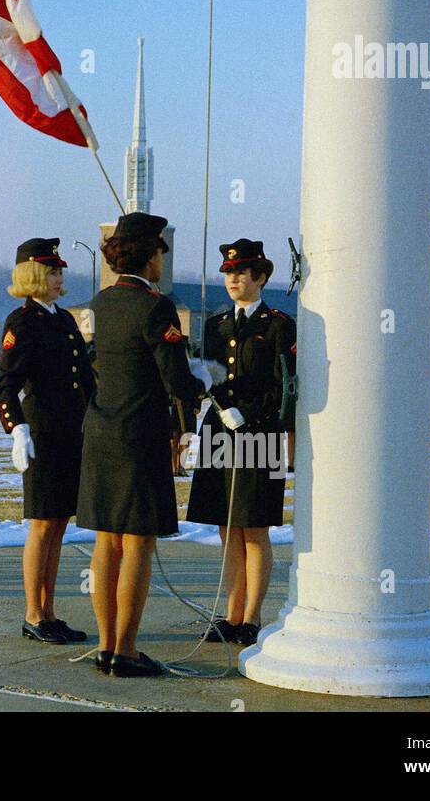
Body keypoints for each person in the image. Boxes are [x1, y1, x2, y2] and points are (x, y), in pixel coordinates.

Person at [76, 213, 211, 677]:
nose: (161, 262)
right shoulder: (157, 307)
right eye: (159, 254)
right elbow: (175, 378)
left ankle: (105, 646)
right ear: (147, 254)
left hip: (100, 431)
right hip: (140, 434)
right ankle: (127, 651)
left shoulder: (100, 301)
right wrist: (197, 388)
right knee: (137, 543)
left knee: (105, 541)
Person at [186, 239, 297, 648]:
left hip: (260, 435)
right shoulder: (216, 325)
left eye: (240, 272)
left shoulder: (279, 325)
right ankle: (231, 616)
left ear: (261, 276)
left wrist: (248, 413)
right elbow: (213, 378)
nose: (232, 279)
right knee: (226, 527)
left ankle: (252, 617)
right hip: (218, 433)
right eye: (228, 273)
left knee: (254, 528)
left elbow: (286, 386)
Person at [0, 237, 96, 645]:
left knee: (58, 523)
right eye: (52, 271)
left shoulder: (64, 320)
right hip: (42, 433)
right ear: (34, 275)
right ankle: (33, 614)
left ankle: (50, 612)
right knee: (41, 524)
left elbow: (84, 379)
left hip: (72, 431)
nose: (59, 278)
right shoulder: (23, 322)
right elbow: (6, 386)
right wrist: (16, 429)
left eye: (59, 271)